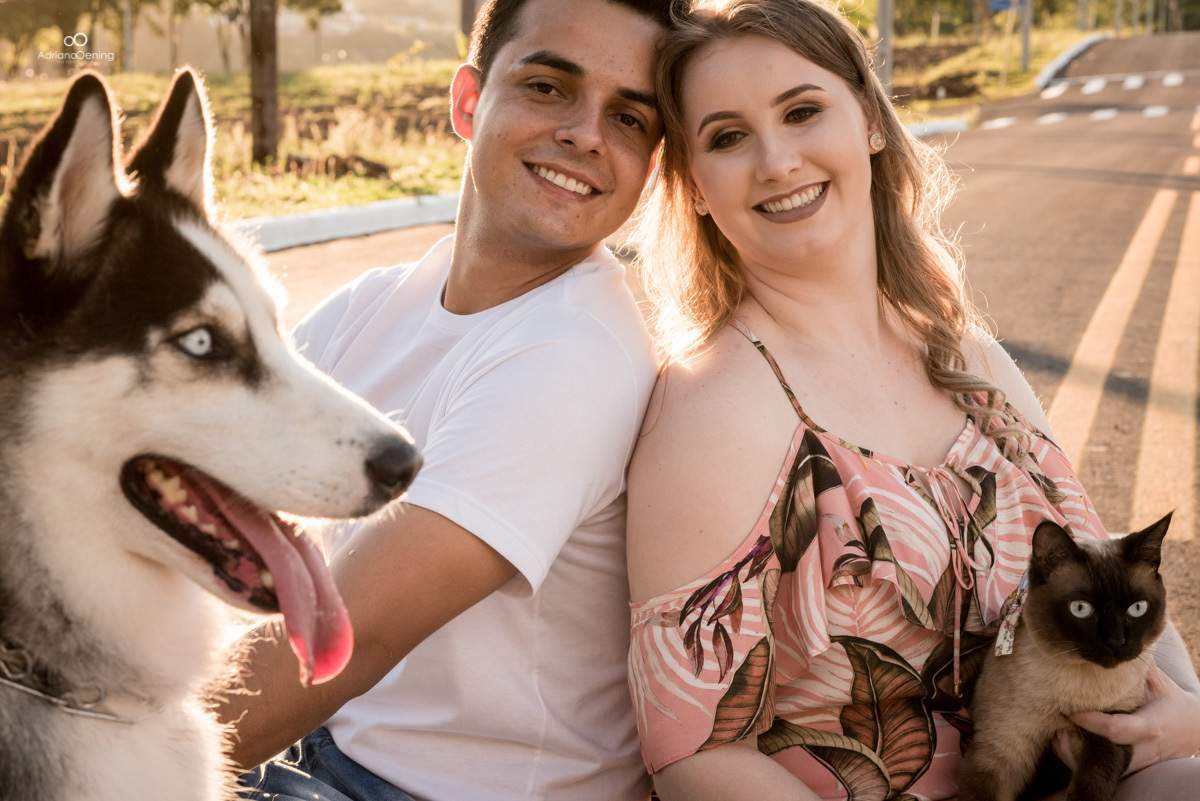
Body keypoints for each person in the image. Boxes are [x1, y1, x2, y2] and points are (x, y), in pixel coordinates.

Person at [624, 1, 1200, 799]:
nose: (778, 159)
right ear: (691, 185)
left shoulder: (969, 357)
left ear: (868, 120)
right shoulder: (712, 412)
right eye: (727, 137)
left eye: (801, 111)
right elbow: (692, 754)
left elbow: (1111, 561)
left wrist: (1185, 722)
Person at [213, 1, 671, 799]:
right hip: (324, 746)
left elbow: (358, 635)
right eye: (548, 87)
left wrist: (86, 750)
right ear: (467, 102)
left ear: (652, 167)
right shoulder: (378, 303)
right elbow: (199, 459)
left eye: (629, 117)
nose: (587, 134)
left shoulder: (575, 352)